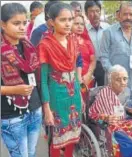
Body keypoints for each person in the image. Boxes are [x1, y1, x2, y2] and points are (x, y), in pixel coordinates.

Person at [38, 3, 82, 157]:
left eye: (70, 19)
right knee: (57, 139)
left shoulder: (74, 41)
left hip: (74, 95)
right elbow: (43, 80)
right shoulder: (45, 45)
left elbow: (75, 74)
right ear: (52, 22)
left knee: (72, 136)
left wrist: (80, 96)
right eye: (63, 20)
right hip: (56, 97)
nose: (68, 23)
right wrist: (47, 109)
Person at [1, 3, 42, 157]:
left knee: (31, 153)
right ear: (3, 24)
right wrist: (14, 90)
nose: (22, 27)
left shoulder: (28, 46)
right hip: (12, 115)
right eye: (16, 23)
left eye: (24, 23)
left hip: (34, 109)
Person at [89, 65, 132, 157]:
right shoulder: (104, 93)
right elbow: (92, 114)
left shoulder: (122, 93)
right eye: (118, 79)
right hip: (111, 129)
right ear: (110, 80)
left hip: (123, 124)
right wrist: (106, 117)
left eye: (125, 79)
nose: (122, 82)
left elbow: (121, 107)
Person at [100, 2, 132, 99]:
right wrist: (114, 73)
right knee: (114, 112)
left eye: (131, 14)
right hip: (115, 84)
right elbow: (103, 57)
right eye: (125, 14)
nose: (128, 17)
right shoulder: (108, 32)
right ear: (119, 15)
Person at [84, 0, 110, 86]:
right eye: (91, 11)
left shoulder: (108, 28)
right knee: (86, 88)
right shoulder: (84, 31)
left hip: (105, 65)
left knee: (104, 89)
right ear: (86, 14)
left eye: (97, 11)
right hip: (89, 66)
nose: (95, 14)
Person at [72, 15, 96, 88]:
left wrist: (88, 75)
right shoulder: (66, 42)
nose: (79, 26)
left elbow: (93, 61)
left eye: (82, 24)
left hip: (87, 79)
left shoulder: (87, 43)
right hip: (71, 79)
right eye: (76, 24)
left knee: (86, 97)